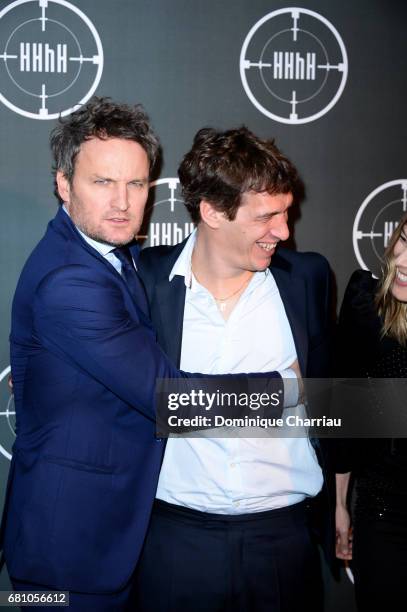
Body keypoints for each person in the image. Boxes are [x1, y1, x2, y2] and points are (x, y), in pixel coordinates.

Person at [1, 99, 299, 611]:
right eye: (102, 183)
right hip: (69, 552)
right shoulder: (70, 280)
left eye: (136, 184)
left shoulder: (114, 258)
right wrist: (287, 387)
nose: (122, 202)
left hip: (108, 537)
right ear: (63, 184)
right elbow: (171, 400)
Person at [136, 126, 334, 612]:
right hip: (174, 543)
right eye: (267, 216)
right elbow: (163, 405)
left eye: (286, 213)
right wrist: (285, 389)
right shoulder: (143, 281)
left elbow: (338, 404)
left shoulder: (307, 279)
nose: (284, 231)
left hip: (284, 545)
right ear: (212, 212)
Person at [335, 214, 407, 611]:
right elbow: (346, 412)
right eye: (403, 241)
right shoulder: (368, 306)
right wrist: (340, 503)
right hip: (386, 510)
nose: (404, 260)